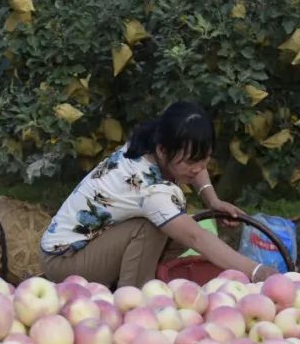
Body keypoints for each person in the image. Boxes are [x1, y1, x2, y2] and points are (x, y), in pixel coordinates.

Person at [40, 101, 280, 289]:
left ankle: (140, 278)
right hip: (65, 261)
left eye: (204, 158)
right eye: (190, 161)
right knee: (152, 228)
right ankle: (133, 300)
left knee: (173, 227)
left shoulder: (153, 138)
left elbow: (193, 162)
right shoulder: (151, 189)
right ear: (163, 151)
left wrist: (212, 200)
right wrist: (256, 271)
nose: (198, 168)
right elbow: (197, 238)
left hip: (90, 243)